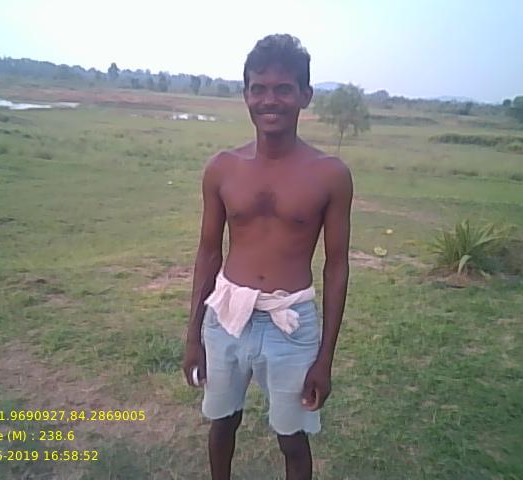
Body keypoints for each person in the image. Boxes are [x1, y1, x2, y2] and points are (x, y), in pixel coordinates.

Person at [183, 33, 353, 480]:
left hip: (290, 322)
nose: (269, 100)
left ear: (305, 95)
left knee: (292, 439)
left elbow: (337, 266)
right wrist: (193, 335)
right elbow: (208, 251)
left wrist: (325, 358)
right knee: (222, 423)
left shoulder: (330, 175)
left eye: (282, 88)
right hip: (226, 317)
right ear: (245, 95)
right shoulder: (223, 168)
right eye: (258, 88)